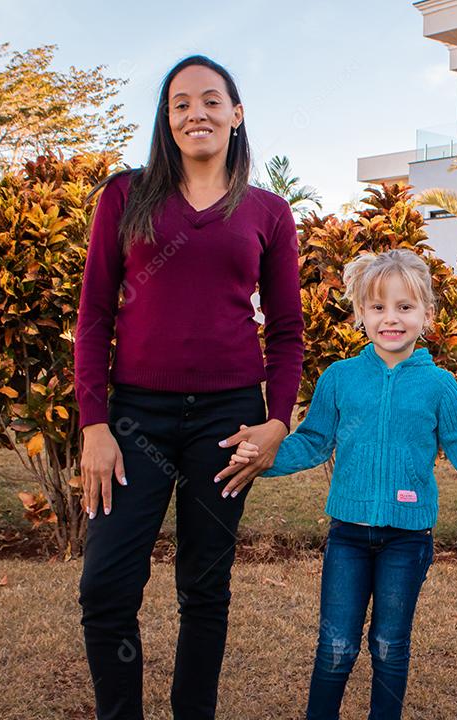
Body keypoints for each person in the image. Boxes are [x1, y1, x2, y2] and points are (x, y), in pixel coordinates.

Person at [74, 55, 303, 720]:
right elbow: (93, 317)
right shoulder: (125, 196)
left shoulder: (268, 212)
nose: (195, 113)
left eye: (211, 100)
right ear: (166, 120)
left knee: (204, 590)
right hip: (134, 419)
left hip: (228, 422)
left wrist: (276, 422)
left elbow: (286, 330)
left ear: (236, 114)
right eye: (180, 103)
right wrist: (95, 425)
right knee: (106, 588)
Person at [226, 248, 457, 720]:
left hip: (408, 540)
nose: (391, 319)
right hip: (347, 534)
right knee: (336, 645)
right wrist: (264, 456)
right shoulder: (340, 379)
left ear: (426, 314)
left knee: (390, 645)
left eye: (405, 307)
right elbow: (311, 442)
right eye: (379, 307)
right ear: (360, 314)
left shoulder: (440, 385)